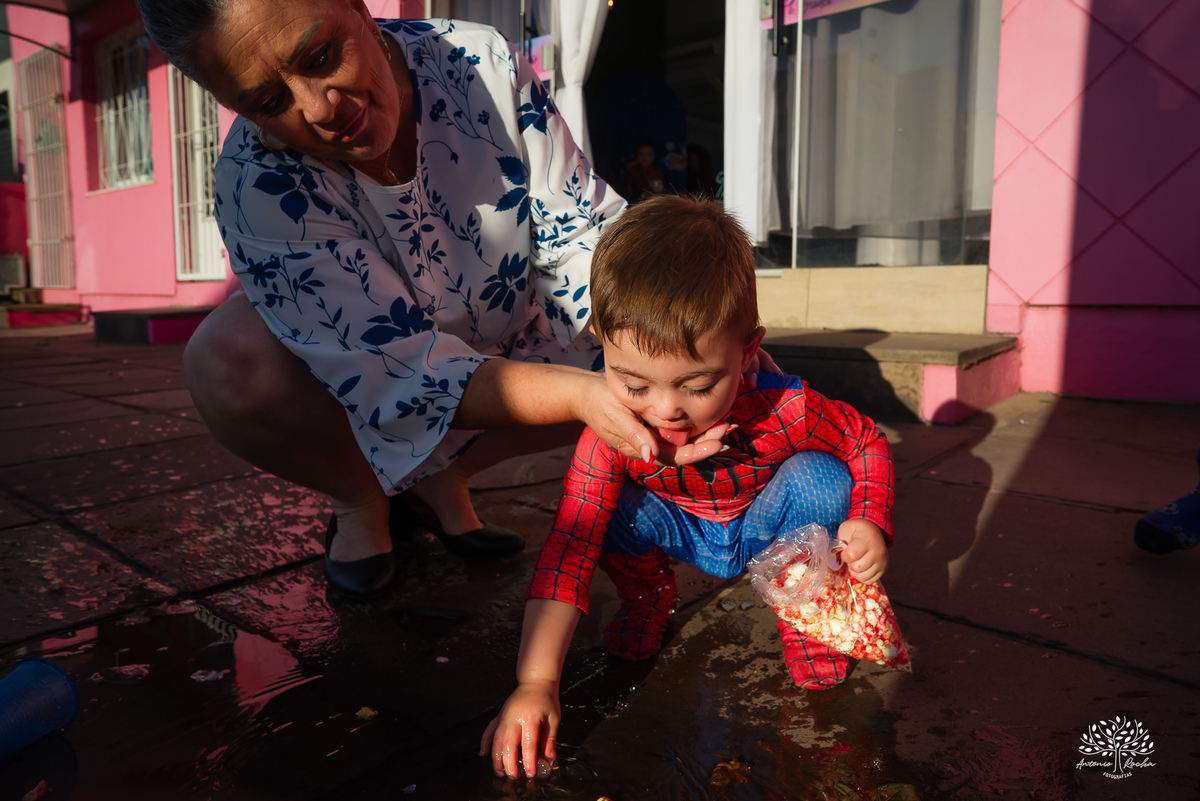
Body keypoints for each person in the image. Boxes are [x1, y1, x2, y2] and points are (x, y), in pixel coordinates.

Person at [135, 0, 745, 600]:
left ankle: (443, 478)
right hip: (374, 373)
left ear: (358, 7)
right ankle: (359, 497)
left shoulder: (479, 64)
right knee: (229, 360)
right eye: (269, 102)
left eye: (321, 55)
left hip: (511, 330)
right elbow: (396, 370)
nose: (322, 108)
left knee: (635, 337)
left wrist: (689, 340)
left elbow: (582, 239)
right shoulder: (256, 180)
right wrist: (584, 398)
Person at [480, 195, 895, 780]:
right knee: (603, 506)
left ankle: (809, 611)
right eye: (633, 383)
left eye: (697, 385)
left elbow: (865, 439)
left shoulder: (787, 407)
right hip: (677, 526)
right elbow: (570, 547)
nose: (666, 409)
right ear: (601, 340)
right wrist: (536, 681)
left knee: (821, 477)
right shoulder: (611, 434)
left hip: (762, 526)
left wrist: (870, 518)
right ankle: (647, 597)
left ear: (747, 350)